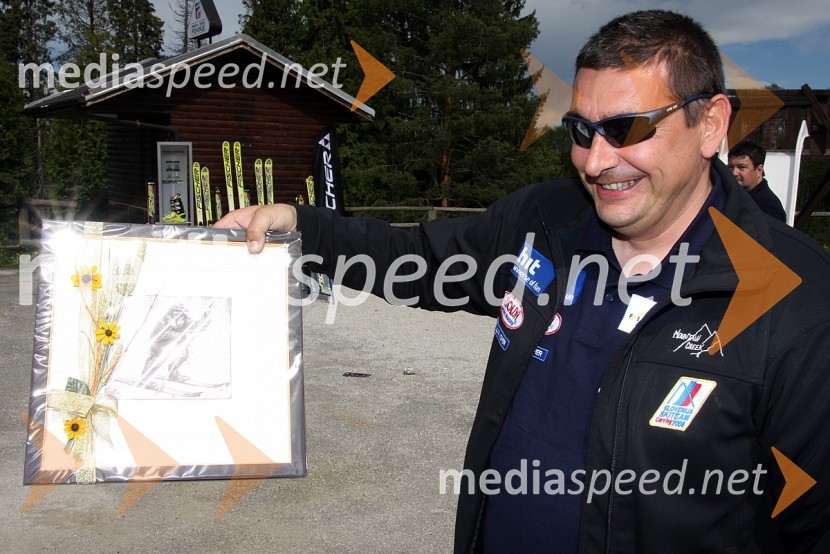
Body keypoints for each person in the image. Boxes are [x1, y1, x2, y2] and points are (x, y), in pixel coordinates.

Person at [216, 10, 830, 552]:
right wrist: (301, 226)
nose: (595, 161)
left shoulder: (795, 297)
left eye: (627, 129)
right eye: (582, 131)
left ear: (711, 123)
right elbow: (414, 260)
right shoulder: (546, 222)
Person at [728, 140, 787, 221]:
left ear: (759, 170)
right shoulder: (734, 196)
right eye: (730, 167)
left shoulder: (768, 207)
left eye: (741, 167)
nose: (734, 173)